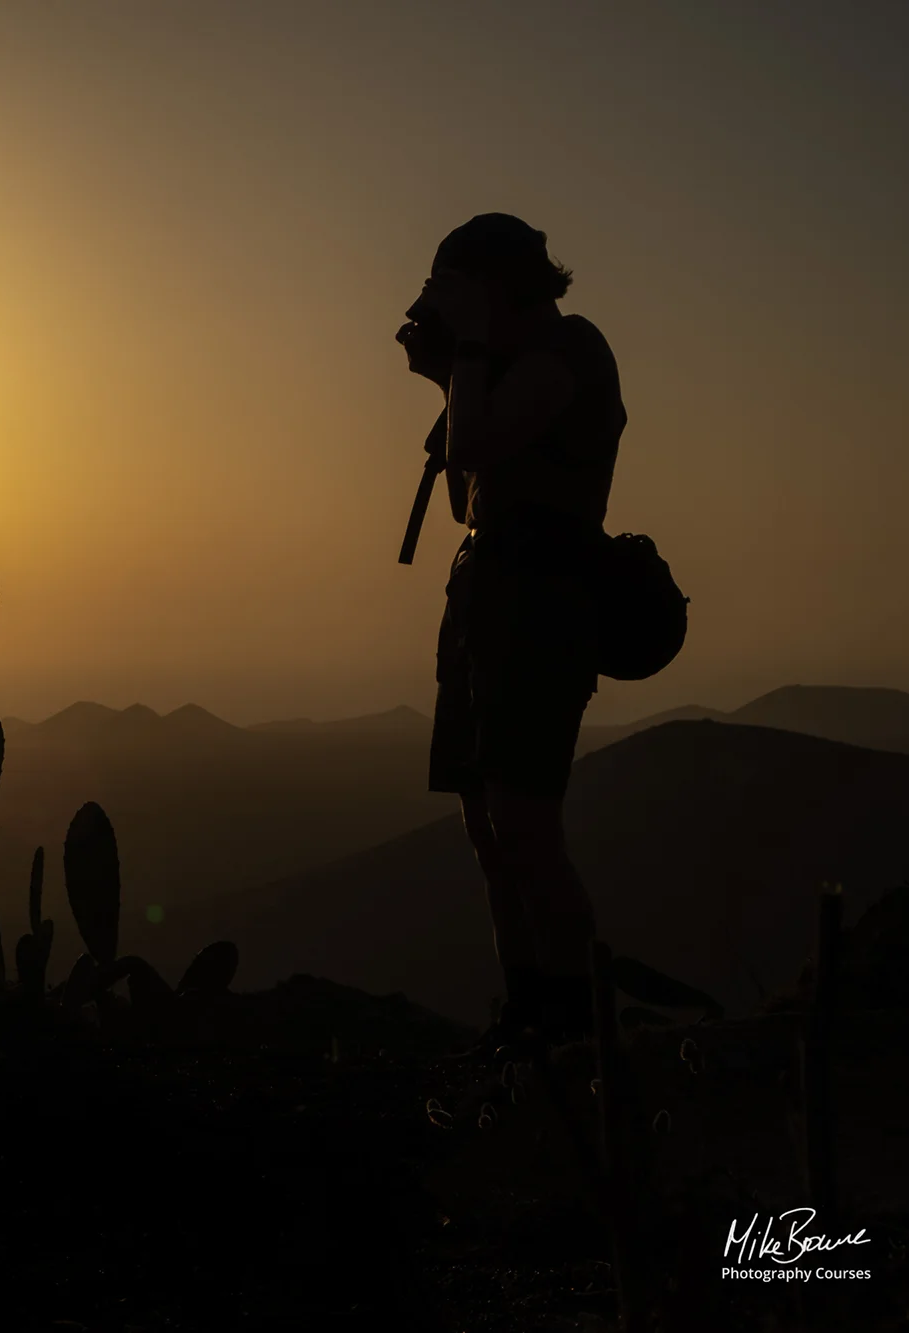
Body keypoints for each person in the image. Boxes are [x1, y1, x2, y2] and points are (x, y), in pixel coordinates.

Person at [398, 213, 626, 1048]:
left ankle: (575, 1027)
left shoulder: (573, 352)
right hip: (483, 598)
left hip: (541, 605)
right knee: (485, 828)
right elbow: (468, 495)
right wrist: (454, 372)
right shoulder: (503, 362)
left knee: (526, 825)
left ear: (495, 287)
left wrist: (465, 356)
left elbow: (478, 444)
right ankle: (528, 1012)